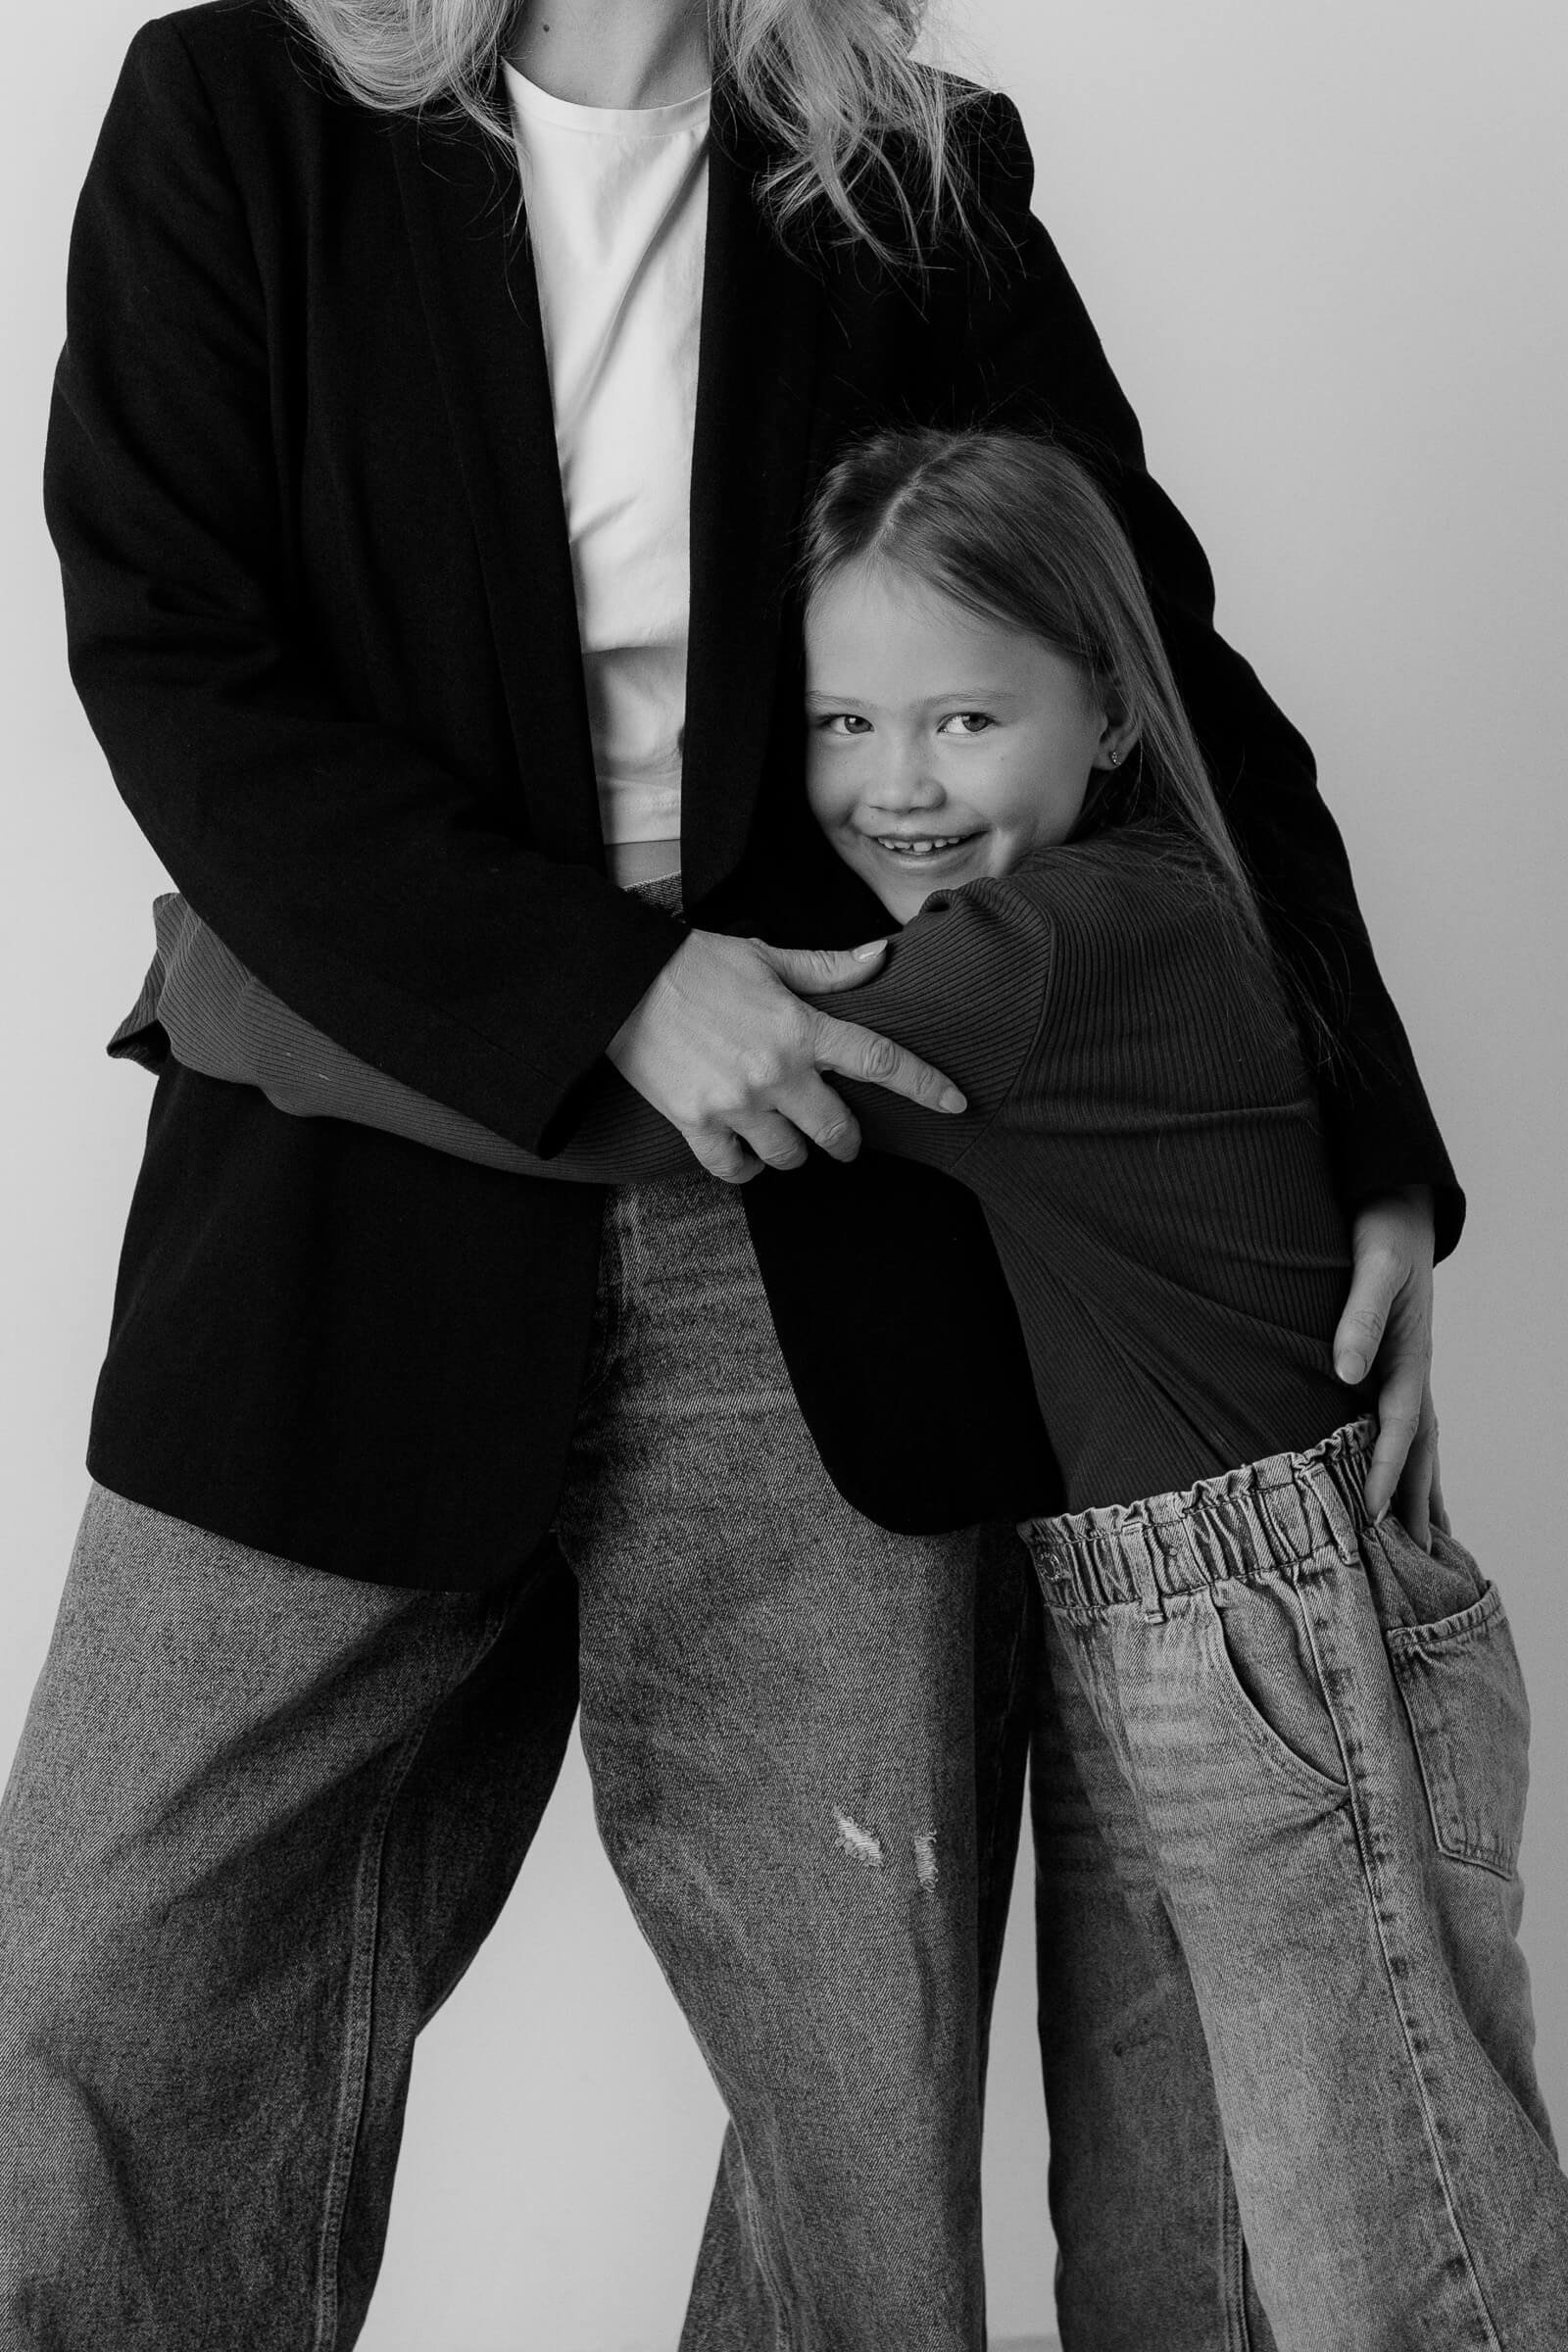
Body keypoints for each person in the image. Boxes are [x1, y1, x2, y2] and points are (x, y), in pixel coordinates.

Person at [0, 0, 1458, 2340]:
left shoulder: (910, 170)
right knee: (94, 2009)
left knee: (853, 2128)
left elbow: (1146, 650)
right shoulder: (243, 102)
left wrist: (1367, 1129)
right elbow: (173, 660)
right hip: (347, 1210)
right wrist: (604, 986)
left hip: (821, 1219)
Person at [153, 425, 1568, 2351]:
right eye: (841, 724)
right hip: (1170, 1639)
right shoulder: (1067, 918)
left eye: (963, 720)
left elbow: (636, 1094)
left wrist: (227, 985)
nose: (893, 788)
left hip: (1268, 1638)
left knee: (1388, 2267)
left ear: (1112, 720)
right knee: (1176, 2270)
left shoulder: (1048, 955)